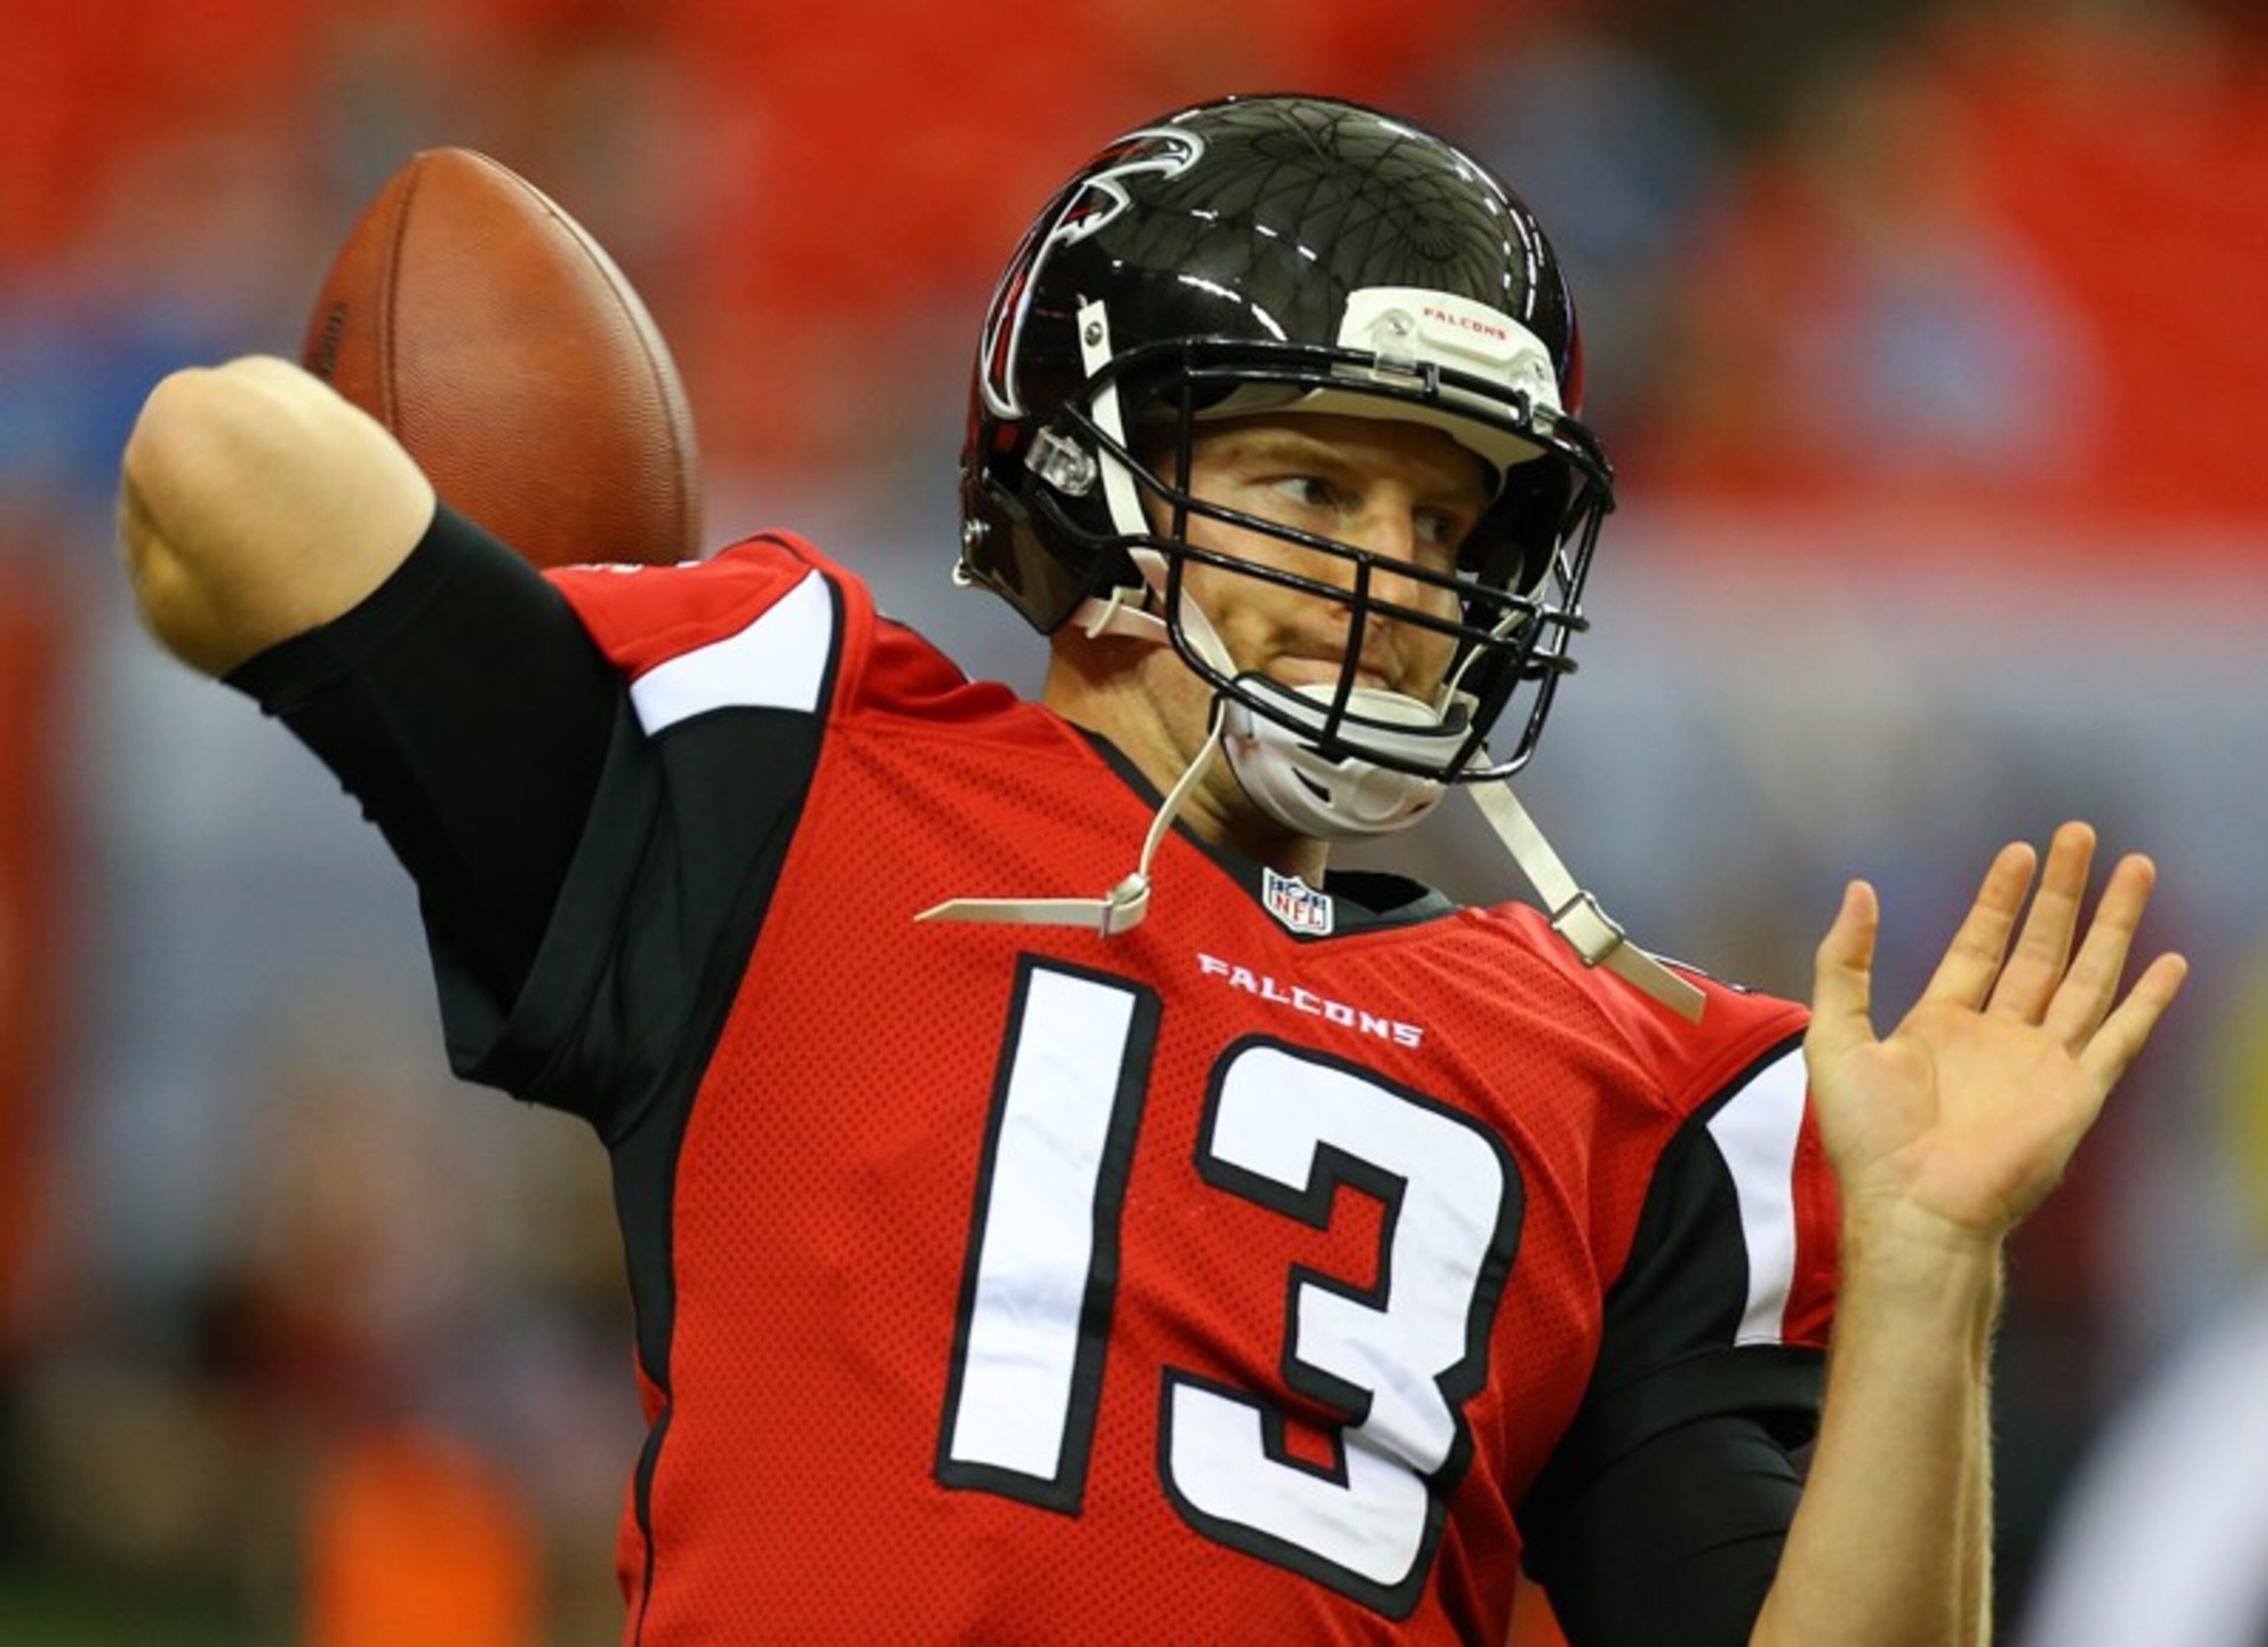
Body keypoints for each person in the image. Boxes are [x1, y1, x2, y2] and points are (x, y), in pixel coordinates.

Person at [118, 94, 2184, 1645]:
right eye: (1312, 481)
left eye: (1446, 525)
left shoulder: (1616, 1085)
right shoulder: (790, 773)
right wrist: (534, 616)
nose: (1390, 579)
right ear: (1086, 476)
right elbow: (220, 469)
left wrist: (1926, 1272)